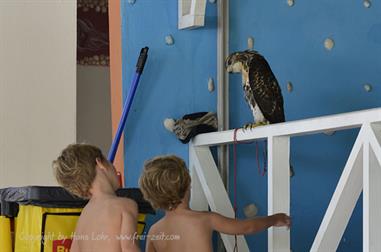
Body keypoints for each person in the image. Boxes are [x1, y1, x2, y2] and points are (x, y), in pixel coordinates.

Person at [139, 155, 291, 252]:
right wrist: (275, 219)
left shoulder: (154, 231)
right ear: (188, 185)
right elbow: (247, 227)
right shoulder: (205, 219)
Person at [53, 144, 140, 252]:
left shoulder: (85, 214)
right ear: (100, 163)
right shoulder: (126, 205)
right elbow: (129, 247)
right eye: (109, 162)